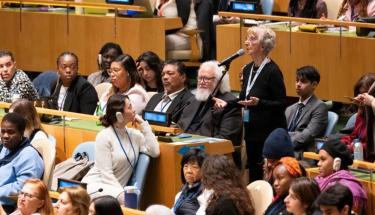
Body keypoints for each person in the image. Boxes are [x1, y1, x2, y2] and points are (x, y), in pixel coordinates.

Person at [215, 25, 287, 181]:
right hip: (251, 129)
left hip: (269, 131)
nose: (247, 42)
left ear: (263, 46)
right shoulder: (247, 69)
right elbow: (243, 98)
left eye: (252, 39)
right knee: (254, 170)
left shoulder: (273, 71)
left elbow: (281, 103)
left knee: (268, 173)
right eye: (247, 38)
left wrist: (260, 103)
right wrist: (227, 104)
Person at [82, 94, 160, 198]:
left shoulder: (135, 135)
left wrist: (143, 123)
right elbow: (106, 175)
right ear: (119, 115)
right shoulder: (104, 136)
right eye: (130, 107)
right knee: (125, 200)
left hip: (115, 191)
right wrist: (121, 194)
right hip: (96, 186)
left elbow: (155, 152)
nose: (134, 110)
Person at [177, 61, 242, 167]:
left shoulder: (229, 104)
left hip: (213, 156)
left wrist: (194, 148)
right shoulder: (193, 100)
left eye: (206, 79)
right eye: (199, 78)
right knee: (167, 152)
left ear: (219, 82)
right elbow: (181, 127)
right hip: (186, 149)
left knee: (176, 155)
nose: (201, 82)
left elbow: (225, 139)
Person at [0, 113, 44, 213]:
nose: (5, 136)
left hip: (8, 207)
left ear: (21, 133)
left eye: (11, 132)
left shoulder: (30, 156)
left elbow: (23, 187)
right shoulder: (4, 148)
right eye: (3, 132)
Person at [285, 66, 328, 160]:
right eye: (297, 80)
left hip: (302, 155)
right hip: (285, 152)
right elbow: (281, 131)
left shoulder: (320, 107)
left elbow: (307, 136)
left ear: (314, 84)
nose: (298, 84)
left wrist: (283, 143)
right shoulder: (290, 109)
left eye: (303, 81)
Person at [315, 139, 367, 214]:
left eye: (323, 159)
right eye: (319, 159)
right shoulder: (318, 180)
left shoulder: (352, 189)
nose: (318, 164)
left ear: (337, 162)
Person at [338, 73, 375, 159]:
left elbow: (371, 145)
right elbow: (354, 136)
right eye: (359, 94)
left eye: (364, 94)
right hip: (357, 154)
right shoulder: (361, 113)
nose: (360, 97)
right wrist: (342, 143)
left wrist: (352, 147)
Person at [172, 148, 206, 215]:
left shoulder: (206, 192)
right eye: (186, 166)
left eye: (194, 167)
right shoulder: (183, 190)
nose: (189, 171)